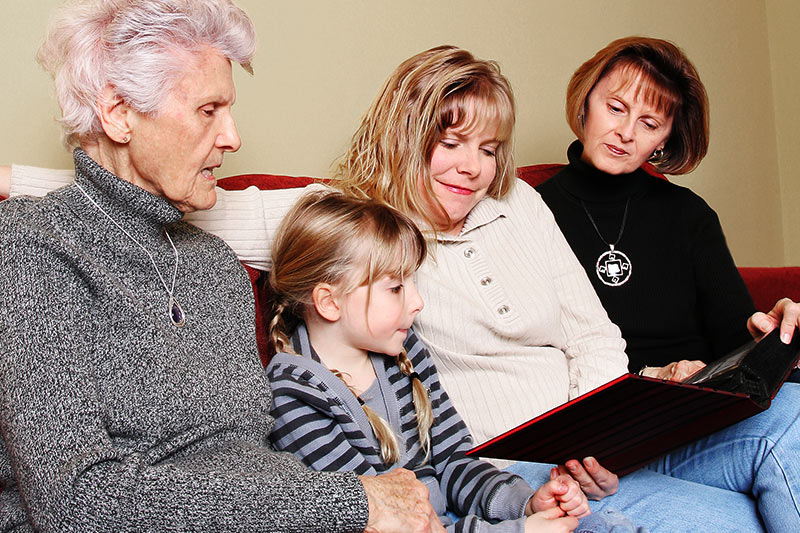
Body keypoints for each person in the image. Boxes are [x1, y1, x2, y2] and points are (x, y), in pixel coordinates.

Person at [4, 45, 798, 531]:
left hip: (610, 430)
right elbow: (167, 195)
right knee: (726, 517)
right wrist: (19, 179)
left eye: (488, 147)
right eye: (449, 142)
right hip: (510, 462)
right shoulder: (359, 222)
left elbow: (594, 333)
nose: (471, 167)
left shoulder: (520, 201)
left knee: (789, 410)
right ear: (405, 135)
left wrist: (615, 421)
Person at [0, 1, 443, 531]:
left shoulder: (214, 266)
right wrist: (352, 504)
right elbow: (78, 501)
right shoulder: (29, 249)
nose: (233, 137)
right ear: (117, 112)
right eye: (208, 110)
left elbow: (255, 459)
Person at [265, 189, 600, 533]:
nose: (417, 302)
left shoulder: (404, 349)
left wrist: (523, 504)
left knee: (598, 522)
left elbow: (455, 459)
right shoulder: (295, 396)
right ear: (330, 302)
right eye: (396, 288)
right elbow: (384, 521)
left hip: (449, 524)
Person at [535, 36, 800, 379]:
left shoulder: (690, 214)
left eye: (649, 124)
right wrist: (654, 375)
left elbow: (736, 344)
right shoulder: (532, 213)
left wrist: (774, 339)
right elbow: (535, 362)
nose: (625, 133)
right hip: (609, 410)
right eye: (615, 108)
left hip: (704, 404)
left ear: (664, 141)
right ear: (585, 102)